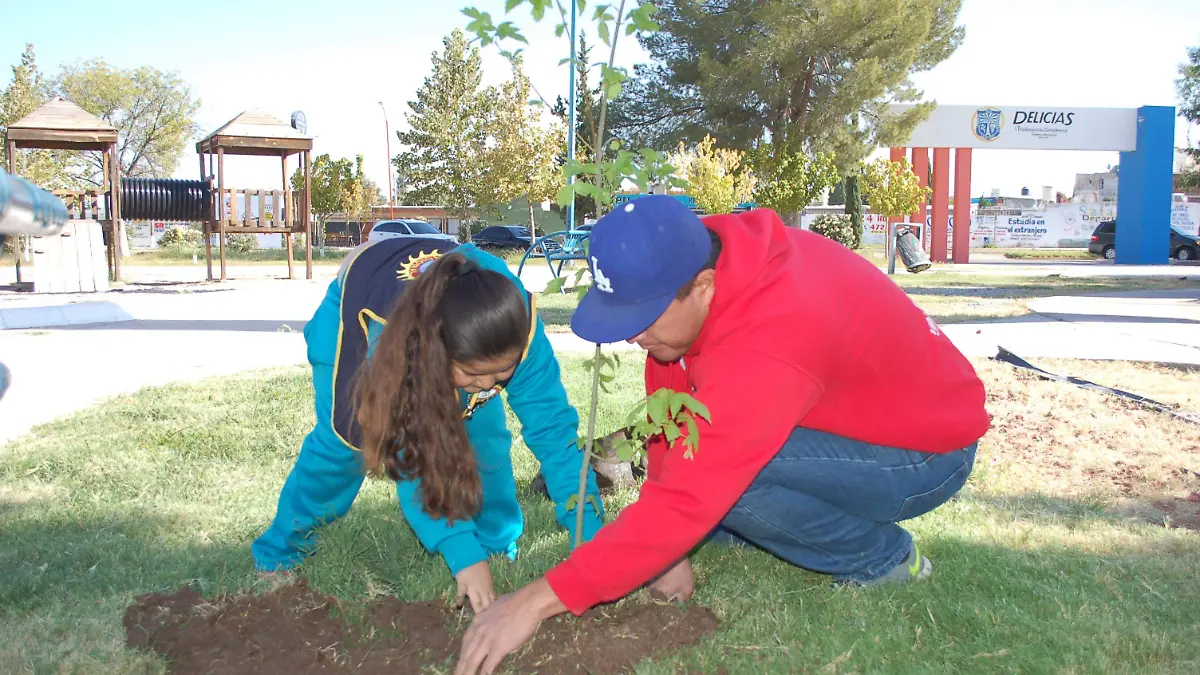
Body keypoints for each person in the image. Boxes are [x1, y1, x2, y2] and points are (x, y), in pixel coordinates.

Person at [453, 196, 990, 674]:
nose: (633, 336)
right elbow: (672, 411)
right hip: (851, 420)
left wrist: (532, 603)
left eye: (643, 317)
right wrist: (667, 549)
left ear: (704, 287)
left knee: (731, 487)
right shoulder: (703, 259)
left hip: (927, 453)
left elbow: (690, 494)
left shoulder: (769, 332)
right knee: (704, 501)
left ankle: (883, 558)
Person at [252, 236, 605, 612]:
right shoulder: (404, 352)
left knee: (485, 439)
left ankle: (497, 544)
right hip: (359, 316)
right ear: (439, 356)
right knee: (345, 445)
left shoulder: (519, 327)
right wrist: (462, 556)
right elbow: (413, 460)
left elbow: (555, 434)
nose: (489, 384)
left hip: (455, 325)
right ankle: (280, 551)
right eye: (475, 373)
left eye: (503, 371)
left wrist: (591, 534)